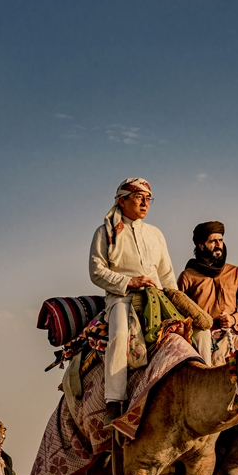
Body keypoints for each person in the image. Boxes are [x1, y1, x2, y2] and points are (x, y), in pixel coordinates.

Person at [88, 178, 177, 416]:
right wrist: (129, 281)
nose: (145, 203)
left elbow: (166, 274)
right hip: (122, 298)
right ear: (122, 200)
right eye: (139, 197)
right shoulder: (105, 232)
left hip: (156, 298)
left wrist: (177, 301)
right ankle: (114, 402)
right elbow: (96, 271)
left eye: (149, 198)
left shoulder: (156, 234)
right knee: (118, 335)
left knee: (193, 331)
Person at [177, 221, 238, 367]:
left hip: (234, 335)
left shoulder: (235, 272)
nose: (218, 244)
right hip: (204, 338)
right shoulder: (188, 276)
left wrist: (233, 318)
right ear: (201, 245)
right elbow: (178, 311)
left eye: (220, 240)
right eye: (213, 241)